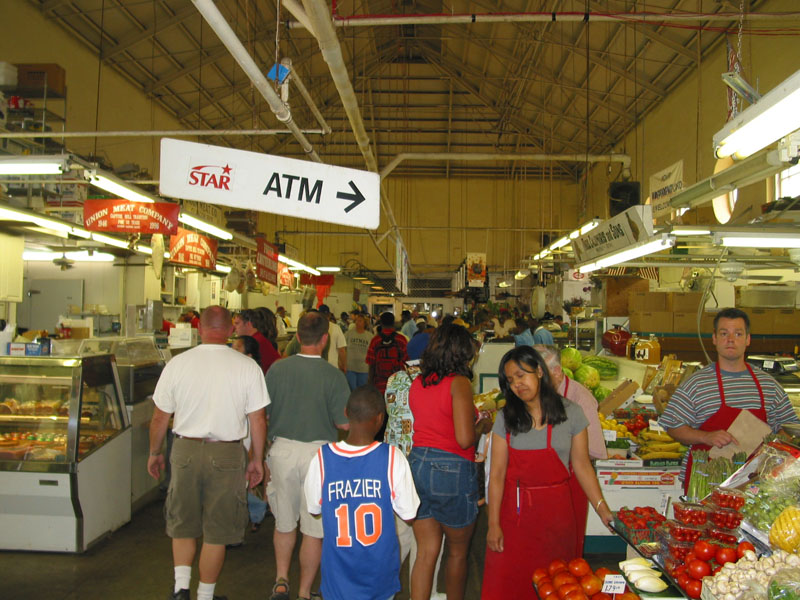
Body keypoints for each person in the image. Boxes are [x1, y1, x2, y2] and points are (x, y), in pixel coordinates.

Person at [148, 306, 269, 600]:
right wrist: (257, 459)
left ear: (199, 328)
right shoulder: (246, 367)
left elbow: (160, 418)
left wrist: (155, 453)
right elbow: (258, 420)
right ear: (230, 330)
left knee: (183, 524)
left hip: (185, 449)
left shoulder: (178, 364)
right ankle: (205, 595)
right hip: (227, 455)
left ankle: (180, 589)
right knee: (217, 531)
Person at [481, 346, 613, 599]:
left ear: (540, 371)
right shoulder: (505, 418)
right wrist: (493, 524)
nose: (517, 385)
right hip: (514, 519)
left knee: (557, 584)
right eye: (510, 380)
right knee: (508, 586)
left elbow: (583, 465)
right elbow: (496, 475)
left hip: (557, 517)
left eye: (521, 375)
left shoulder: (572, 412)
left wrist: (602, 509)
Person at [659, 307, 800, 493]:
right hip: (704, 485)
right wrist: (705, 436)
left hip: (755, 487)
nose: (731, 339)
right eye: (724, 333)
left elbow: (789, 429)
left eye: (738, 333)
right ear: (715, 339)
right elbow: (672, 425)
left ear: (748, 339)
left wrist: (777, 444)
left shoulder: (769, 386)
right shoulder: (696, 384)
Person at [304, 385, 420, 600]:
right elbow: (409, 513)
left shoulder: (322, 457)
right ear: (380, 419)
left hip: (338, 575)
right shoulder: (392, 457)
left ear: (346, 412)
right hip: (379, 574)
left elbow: (313, 509)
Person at [265, 311, 351, 600]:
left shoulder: (277, 369)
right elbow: (344, 423)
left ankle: (280, 580)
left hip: (282, 451)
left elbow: (263, 415)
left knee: (284, 522)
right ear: (326, 339)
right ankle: (304, 592)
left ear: (298, 337)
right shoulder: (334, 376)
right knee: (314, 529)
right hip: (320, 455)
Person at [408, 324, 489, 600]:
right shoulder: (459, 383)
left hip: (417, 463)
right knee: (457, 552)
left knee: (426, 552)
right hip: (451, 468)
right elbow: (465, 439)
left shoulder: (418, 382)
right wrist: (483, 424)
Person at [534, 344, 607, 556]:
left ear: (556, 372)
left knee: (565, 548)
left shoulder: (581, 399)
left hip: (569, 482)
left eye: (538, 374)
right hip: (536, 487)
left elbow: (592, 450)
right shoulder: (532, 394)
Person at [231, 335, 272, 533]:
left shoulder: (254, 376)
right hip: (238, 436)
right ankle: (254, 512)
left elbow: (258, 417)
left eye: (236, 348)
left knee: (246, 479)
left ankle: (252, 514)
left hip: (248, 436)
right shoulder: (232, 374)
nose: (231, 352)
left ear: (249, 355)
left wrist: (256, 450)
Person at [366, 312, 409, 395]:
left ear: (381, 323)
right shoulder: (401, 340)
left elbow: (371, 364)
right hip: (397, 385)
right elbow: (406, 363)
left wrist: (370, 384)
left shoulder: (375, 341)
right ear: (393, 323)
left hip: (379, 386)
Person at [233, 309, 280, 374]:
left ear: (248, 324)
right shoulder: (258, 338)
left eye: (237, 323)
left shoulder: (255, 342)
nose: (234, 327)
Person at [344, 313, 373, 390]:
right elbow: (343, 349)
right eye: (356, 320)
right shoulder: (348, 334)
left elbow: (371, 353)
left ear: (364, 323)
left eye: (360, 321)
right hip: (350, 368)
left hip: (363, 368)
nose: (357, 322)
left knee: (361, 390)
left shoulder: (369, 336)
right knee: (351, 389)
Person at [318, 304, 348, 372]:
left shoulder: (313, 327)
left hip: (316, 367)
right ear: (329, 315)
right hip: (332, 367)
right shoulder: (336, 328)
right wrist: (344, 365)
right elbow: (341, 350)